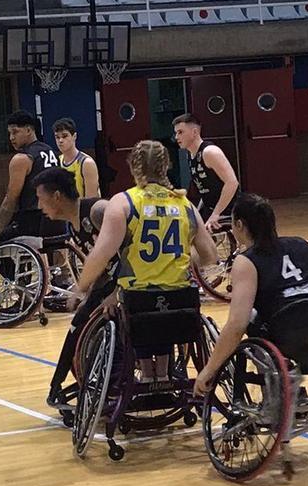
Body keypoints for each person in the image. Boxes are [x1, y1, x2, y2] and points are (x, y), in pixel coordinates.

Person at [72, 140, 218, 382]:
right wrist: (178, 255)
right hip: (181, 299)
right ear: (166, 166)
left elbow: (101, 254)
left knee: (134, 308)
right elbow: (210, 256)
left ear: (134, 168)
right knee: (166, 314)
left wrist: (80, 288)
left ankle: (148, 375)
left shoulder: (124, 202)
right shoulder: (184, 204)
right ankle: (161, 374)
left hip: (138, 298)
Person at [194, 194, 308, 396]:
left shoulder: (246, 261)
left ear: (239, 225)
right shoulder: (303, 243)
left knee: (252, 318)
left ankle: (277, 393)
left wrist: (209, 369)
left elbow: (236, 325)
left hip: (290, 336)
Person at [33, 166, 112, 408]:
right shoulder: (73, 224)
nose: (39, 207)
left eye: (40, 198)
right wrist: (86, 293)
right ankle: (58, 384)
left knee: (85, 320)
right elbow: (102, 265)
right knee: (77, 323)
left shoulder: (98, 211)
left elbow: (133, 255)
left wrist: (117, 294)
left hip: (130, 283)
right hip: (108, 283)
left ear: (57, 196)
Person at [0, 110, 66, 262]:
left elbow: (10, 200)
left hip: (34, 221)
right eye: (9, 133)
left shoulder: (22, 159)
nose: (11, 138)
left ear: (28, 130)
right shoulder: (50, 151)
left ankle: (17, 283)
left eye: (15, 132)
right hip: (58, 219)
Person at [172, 113, 239, 231]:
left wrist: (216, 214)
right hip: (210, 207)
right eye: (176, 133)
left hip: (231, 209)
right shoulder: (190, 154)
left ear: (194, 132)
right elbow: (204, 189)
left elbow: (232, 183)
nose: (176, 137)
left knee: (197, 237)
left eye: (180, 132)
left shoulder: (210, 152)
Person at [53, 118, 100, 199]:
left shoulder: (86, 163)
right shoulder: (57, 161)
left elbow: (92, 200)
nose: (60, 140)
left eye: (64, 136)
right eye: (57, 137)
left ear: (74, 136)